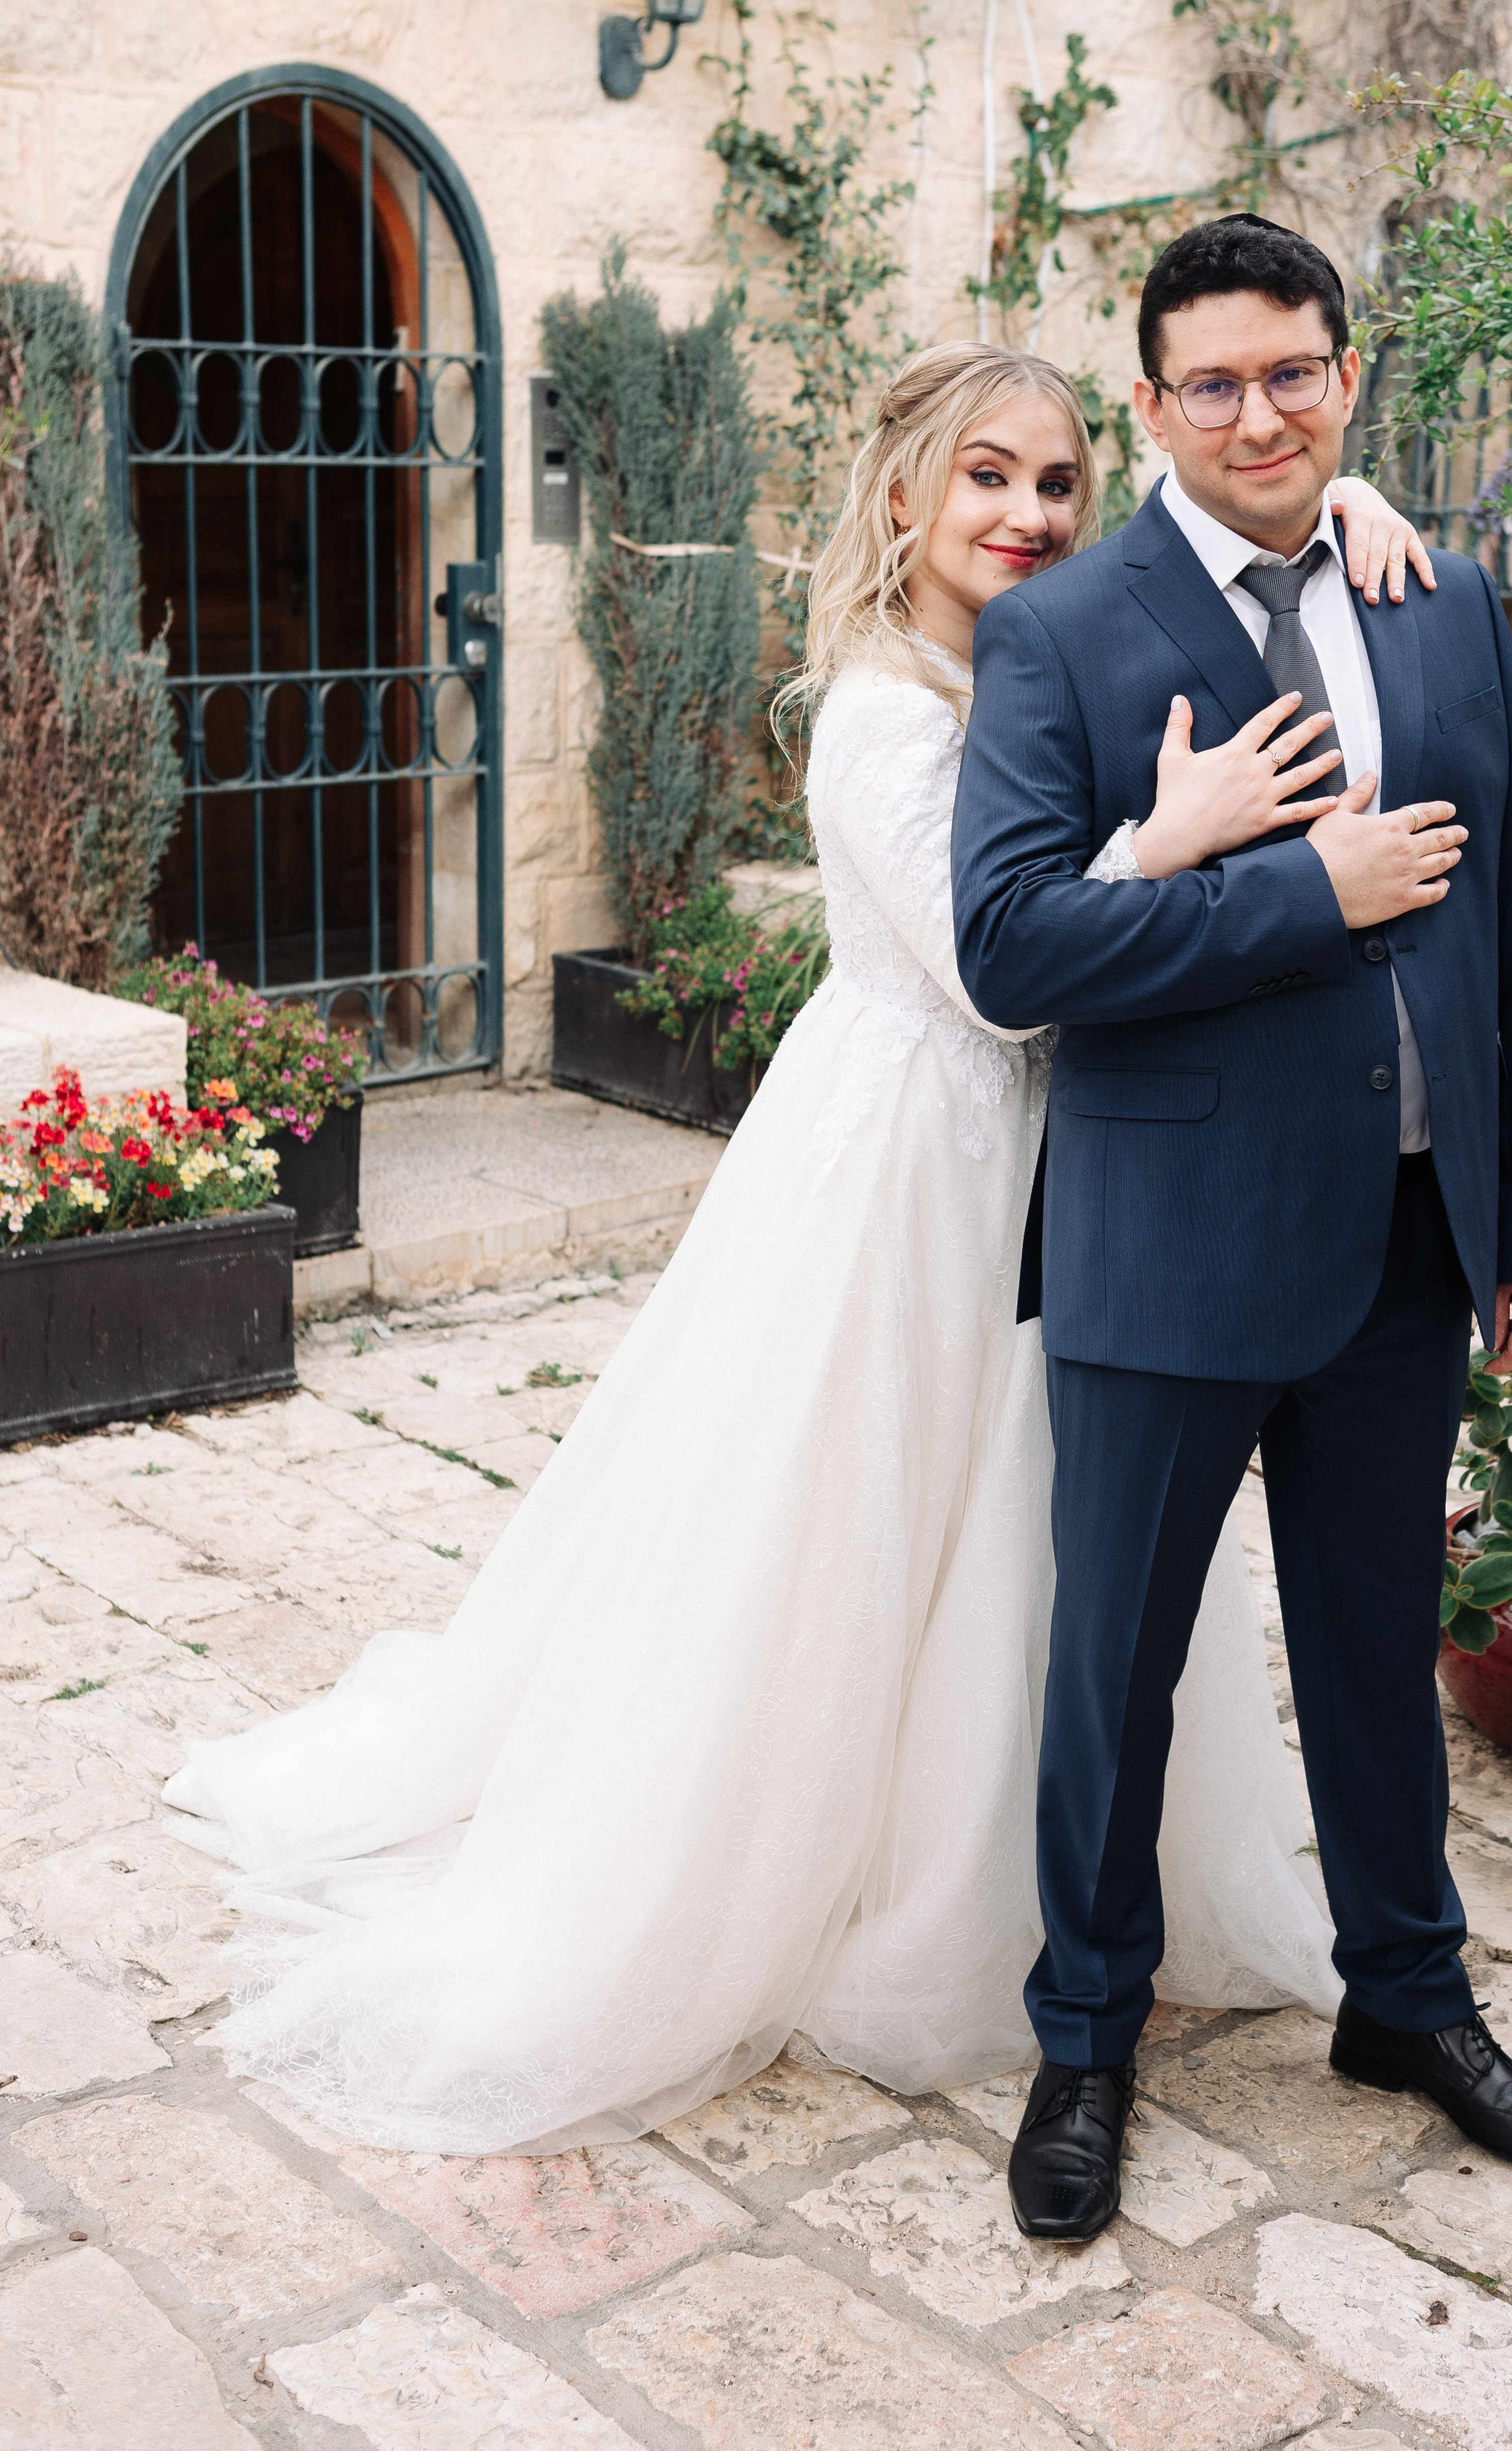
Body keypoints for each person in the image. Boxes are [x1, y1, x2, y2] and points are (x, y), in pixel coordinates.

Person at [161, 340, 1430, 2157]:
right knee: (853, 1505)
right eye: (987, 476)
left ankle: (1045, 1860)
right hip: (914, 1155)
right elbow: (994, 971)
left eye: (1057, 483)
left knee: (1051, 1527)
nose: (1028, 513)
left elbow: (1232, 543)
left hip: (1088, 1172)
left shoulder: (1058, 654)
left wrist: (1346, 504)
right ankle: (868, 1881)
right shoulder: (881, 711)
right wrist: (1175, 838)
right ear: (904, 493)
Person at [951, 216, 1512, 2245]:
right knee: (1116, 1673)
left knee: (1367, 1652)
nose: (1263, 411)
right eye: (1215, 382)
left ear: (1349, 373)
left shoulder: (1440, 603)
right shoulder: (1066, 634)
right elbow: (1008, 943)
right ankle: (1085, 2044)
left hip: (1408, 1250)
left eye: (1298, 370)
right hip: (1169, 1254)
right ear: (1152, 407)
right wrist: (1287, 894)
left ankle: (1409, 2003)